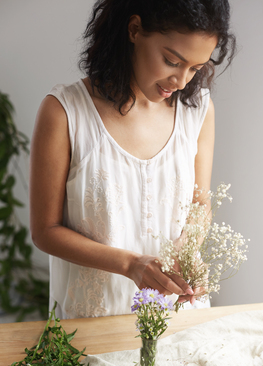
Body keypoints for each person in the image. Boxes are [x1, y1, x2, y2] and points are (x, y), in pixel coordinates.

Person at [29, 0, 236, 319]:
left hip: (178, 316)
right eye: (171, 61)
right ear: (134, 29)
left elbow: (200, 203)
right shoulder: (64, 112)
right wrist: (130, 264)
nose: (181, 81)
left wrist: (185, 251)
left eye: (195, 68)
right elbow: (45, 230)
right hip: (94, 323)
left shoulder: (198, 110)